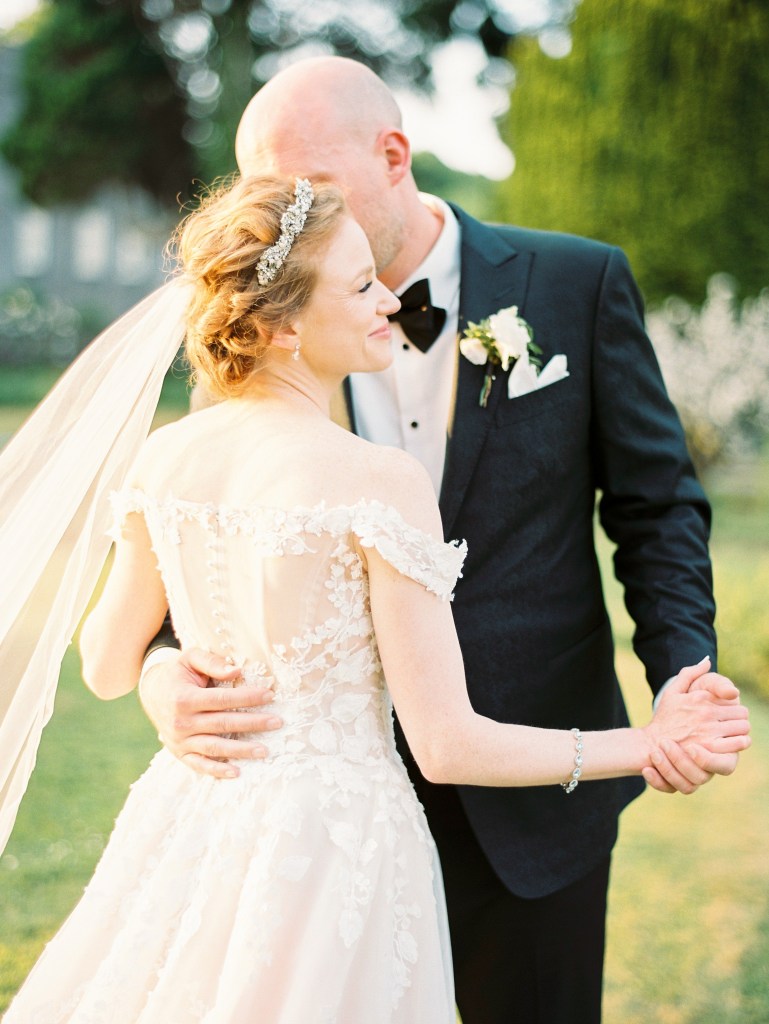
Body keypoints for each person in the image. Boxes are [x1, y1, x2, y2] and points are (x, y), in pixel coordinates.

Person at [1, 175, 749, 1023]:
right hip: (334, 853)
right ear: (282, 325)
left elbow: (103, 662)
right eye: (359, 286)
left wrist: (159, 677)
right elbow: (446, 745)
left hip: (195, 824)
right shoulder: (375, 481)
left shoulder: (167, 458)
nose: (388, 298)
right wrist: (649, 744)